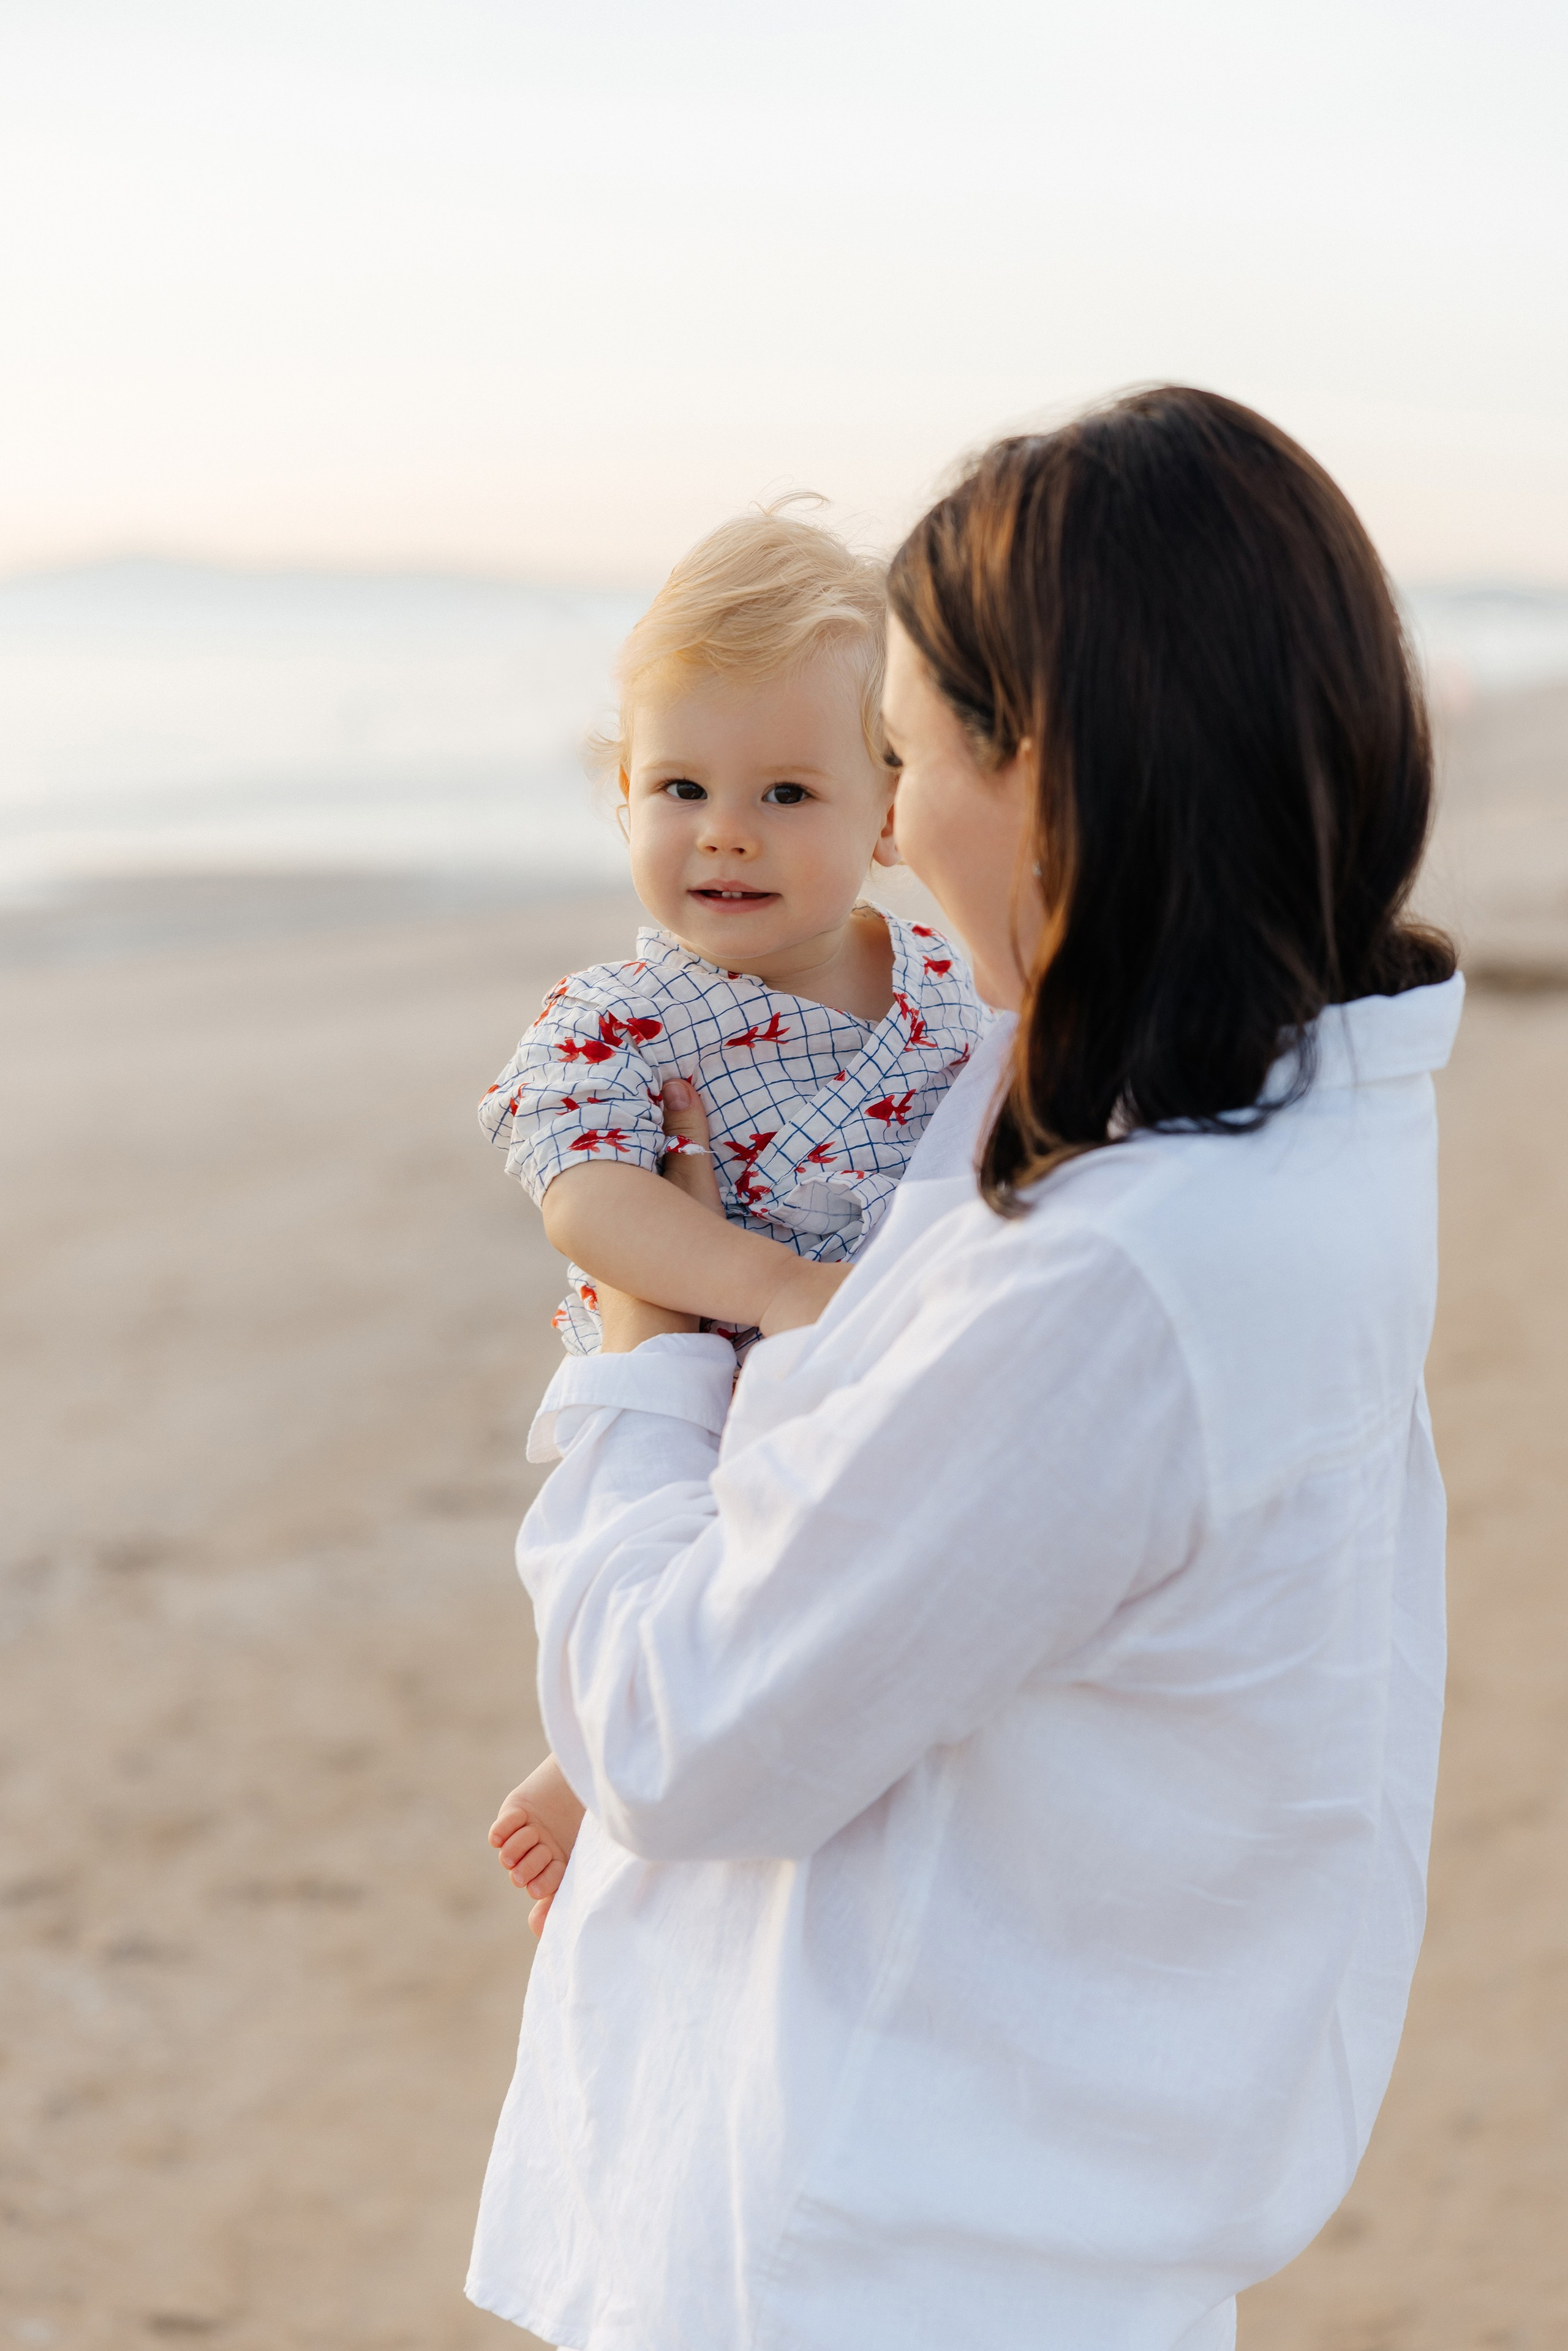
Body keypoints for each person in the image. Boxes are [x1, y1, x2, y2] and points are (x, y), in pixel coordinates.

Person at [467, 387, 1463, 2351]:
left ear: (1065, 772)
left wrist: (642, 1352)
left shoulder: (1136, 1273)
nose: (897, 831)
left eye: (904, 761)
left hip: (894, 2244)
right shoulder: (1204, 1098)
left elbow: (685, 1731)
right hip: (973, 2191)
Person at [478, 505, 985, 1925]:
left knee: (831, 1568)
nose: (722, 835)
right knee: (682, 1549)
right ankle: (589, 1752)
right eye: (680, 786)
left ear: (888, 805)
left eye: (784, 794)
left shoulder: (944, 982)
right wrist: (759, 1283)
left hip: (877, 1359)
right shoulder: (619, 1018)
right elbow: (581, 1190)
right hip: (705, 1365)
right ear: (621, 792)